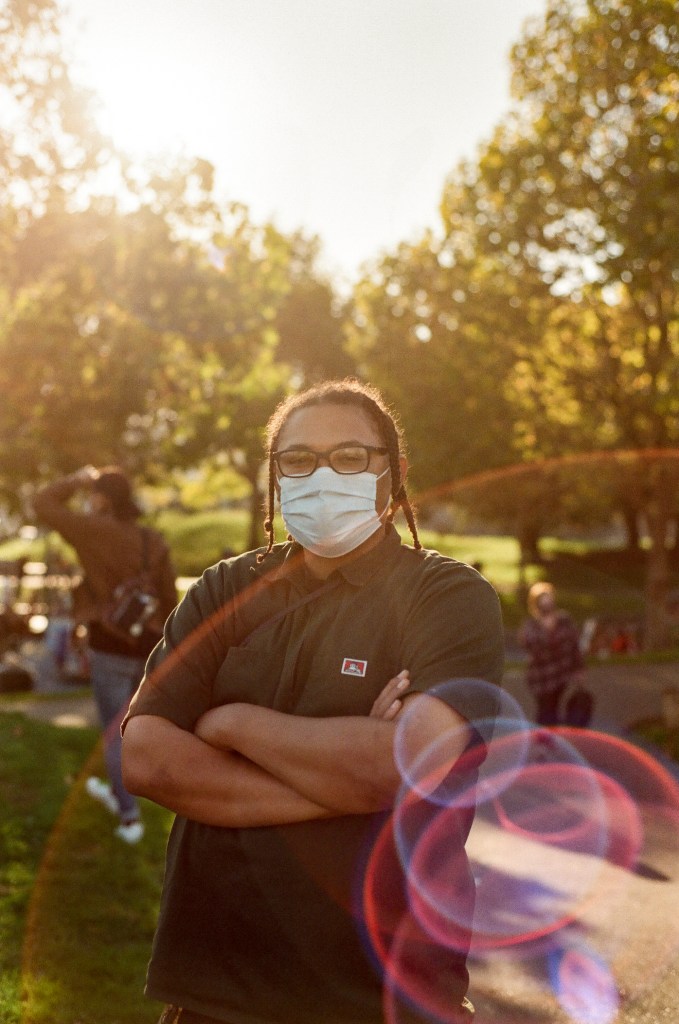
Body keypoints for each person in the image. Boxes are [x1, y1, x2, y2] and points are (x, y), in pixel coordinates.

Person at [121, 379, 505, 1023]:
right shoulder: (225, 589)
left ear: (394, 472)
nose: (323, 476)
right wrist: (350, 782)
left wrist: (231, 723)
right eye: (298, 459)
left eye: (350, 457)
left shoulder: (447, 598)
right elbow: (147, 760)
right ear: (275, 475)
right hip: (215, 993)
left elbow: (402, 763)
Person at [33, 466, 177, 843]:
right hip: (149, 646)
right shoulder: (152, 540)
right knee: (136, 727)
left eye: (92, 494)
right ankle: (122, 792)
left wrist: (78, 478)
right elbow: (170, 598)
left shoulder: (90, 530)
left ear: (101, 499)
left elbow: (42, 503)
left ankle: (129, 819)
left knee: (116, 733)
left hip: (109, 646)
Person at [519, 581, 585, 726]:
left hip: (560, 673)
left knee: (554, 708)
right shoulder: (531, 624)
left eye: (548, 598)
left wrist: (578, 669)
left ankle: (552, 733)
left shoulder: (564, 620)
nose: (546, 604)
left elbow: (574, 645)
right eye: (542, 600)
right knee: (545, 710)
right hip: (541, 676)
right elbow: (529, 645)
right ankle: (544, 734)